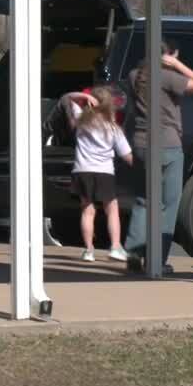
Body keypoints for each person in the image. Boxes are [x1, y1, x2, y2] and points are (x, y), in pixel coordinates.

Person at [122, 39, 193, 275]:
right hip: (166, 145)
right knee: (168, 204)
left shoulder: (133, 75)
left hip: (139, 143)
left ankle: (133, 251)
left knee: (144, 199)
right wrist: (177, 64)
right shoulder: (167, 77)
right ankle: (157, 260)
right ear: (168, 56)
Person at [67, 88, 133, 262]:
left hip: (82, 170)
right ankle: (116, 247)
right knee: (111, 210)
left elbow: (69, 97)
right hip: (104, 172)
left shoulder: (81, 121)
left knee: (87, 211)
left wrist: (85, 96)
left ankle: (88, 250)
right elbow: (126, 155)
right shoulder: (113, 128)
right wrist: (142, 167)